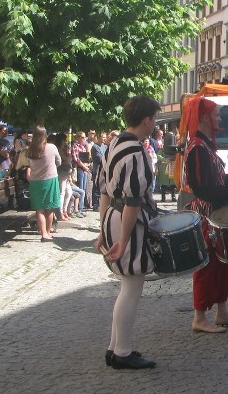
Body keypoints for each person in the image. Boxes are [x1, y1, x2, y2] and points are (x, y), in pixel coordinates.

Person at [94, 96, 159, 370]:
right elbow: (132, 200)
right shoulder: (134, 151)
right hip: (126, 220)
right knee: (131, 287)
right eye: (154, 118)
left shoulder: (114, 145)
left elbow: (105, 193)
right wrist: (121, 239)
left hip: (114, 217)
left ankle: (114, 348)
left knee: (126, 286)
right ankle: (122, 351)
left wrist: (102, 230)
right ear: (147, 120)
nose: (155, 124)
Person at [183, 96, 228, 333]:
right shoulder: (197, 147)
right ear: (205, 118)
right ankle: (199, 317)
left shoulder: (205, 144)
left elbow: (215, 178)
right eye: (216, 115)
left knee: (223, 262)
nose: (219, 119)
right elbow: (202, 186)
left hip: (216, 213)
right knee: (206, 265)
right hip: (207, 214)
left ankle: (222, 311)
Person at [26, 126, 61, 242]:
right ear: (45, 135)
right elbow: (59, 161)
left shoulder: (30, 150)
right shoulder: (51, 147)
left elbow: (30, 165)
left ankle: (43, 233)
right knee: (50, 208)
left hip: (36, 181)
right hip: (50, 179)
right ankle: (48, 232)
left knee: (39, 209)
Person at [71, 131, 90, 215]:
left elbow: (85, 158)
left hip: (84, 169)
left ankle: (81, 208)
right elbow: (76, 159)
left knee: (84, 189)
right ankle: (78, 208)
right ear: (77, 137)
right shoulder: (75, 146)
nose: (84, 139)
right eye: (82, 137)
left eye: (84, 137)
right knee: (80, 189)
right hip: (79, 169)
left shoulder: (83, 146)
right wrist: (84, 167)